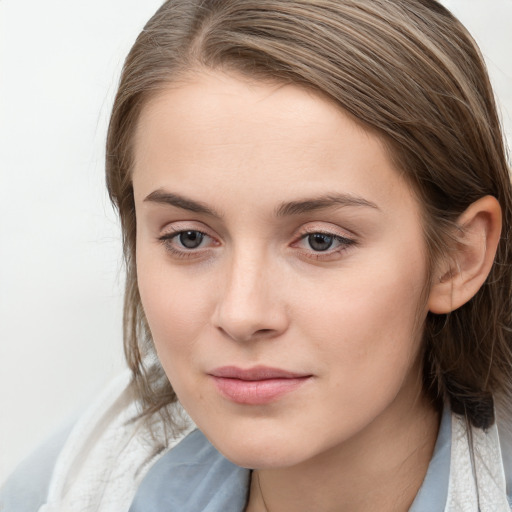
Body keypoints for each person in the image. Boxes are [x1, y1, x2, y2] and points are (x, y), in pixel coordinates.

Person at [2, 0, 512, 510]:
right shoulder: (80, 477)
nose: (242, 314)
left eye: (320, 240)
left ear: (458, 258)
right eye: (189, 238)